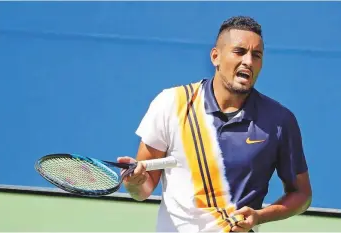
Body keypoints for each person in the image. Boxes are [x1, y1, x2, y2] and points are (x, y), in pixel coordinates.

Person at [117, 16, 312, 232]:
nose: (248, 61)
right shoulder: (171, 103)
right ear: (215, 56)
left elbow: (301, 194)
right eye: (239, 52)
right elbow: (142, 190)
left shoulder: (280, 121)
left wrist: (259, 216)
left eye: (256, 55)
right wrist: (134, 183)